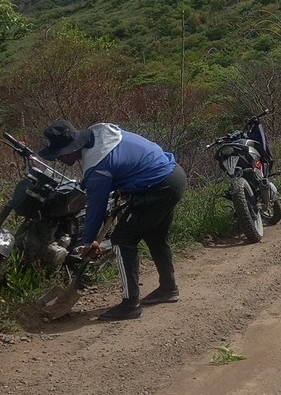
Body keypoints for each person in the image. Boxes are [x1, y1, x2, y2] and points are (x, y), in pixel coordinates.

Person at [39, 120, 188, 320]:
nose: (59, 159)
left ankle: (130, 305)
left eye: (60, 154)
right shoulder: (102, 136)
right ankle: (168, 289)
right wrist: (125, 184)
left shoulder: (97, 166)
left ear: (72, 149)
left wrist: (88, 241)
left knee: (123, 239)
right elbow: (126, 161)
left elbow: (96, 207)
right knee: (155, 236)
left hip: (160, 186)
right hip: (172, 176)